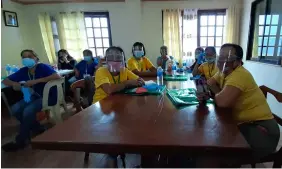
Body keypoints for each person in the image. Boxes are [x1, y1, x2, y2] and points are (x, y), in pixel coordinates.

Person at [205, 43, 280, 164]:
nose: (221, 60)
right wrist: (221, 94)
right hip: (243, 124)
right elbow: (209, 83)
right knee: (215, 138)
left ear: (238, 62)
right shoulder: (224, 72)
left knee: (219, 151)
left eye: (227, 57)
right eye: (221, 56)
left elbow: (223, 103)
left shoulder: (240, 75)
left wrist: (219, 95)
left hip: (262, 131)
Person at [1, 49, 61, 152]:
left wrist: (36, 81)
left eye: (30, 56)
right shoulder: (23, 71)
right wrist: (14, 84)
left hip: (49, 96)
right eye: (24, 57)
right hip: (35, 96)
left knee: (27, 111)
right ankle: (37, 128)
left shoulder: (42, 67)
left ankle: (21, 140)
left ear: (36, 58)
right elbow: (6, 80)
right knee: (15, 109)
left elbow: (57, 76)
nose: (27, 58)